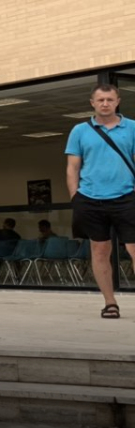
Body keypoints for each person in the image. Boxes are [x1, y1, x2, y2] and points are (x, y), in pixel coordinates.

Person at [66, 83, 135, 320]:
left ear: (117, 102)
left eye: (110, 99)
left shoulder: (132, 127)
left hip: (126, 197)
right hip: (90, 199)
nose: (105, 104)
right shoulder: (80, 131)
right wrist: (75, 197)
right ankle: (110, 303)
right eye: (101, 100)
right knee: (100, 250)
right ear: (92, 103)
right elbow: (73, 167)